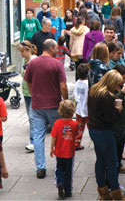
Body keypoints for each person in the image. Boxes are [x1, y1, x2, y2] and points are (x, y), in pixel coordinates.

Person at [24, 39, 68, 179]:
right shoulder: (57, 64)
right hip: (54, 104)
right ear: (50, 48)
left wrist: (33, 95)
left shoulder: (32, 63)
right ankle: (60, 164)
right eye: (56, 48)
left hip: (37, 105)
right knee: (59, 135)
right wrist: (65, 100)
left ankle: (40, 167)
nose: (57, 50)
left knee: (38, 136)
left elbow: (28, 81)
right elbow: (63, 86)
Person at [87, 70, 125, 200]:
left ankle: (103, 192)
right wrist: (117, 110)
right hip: (104, 131)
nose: (117, 88)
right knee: (112, 162)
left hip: (93, 129)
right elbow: (109, 118)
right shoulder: (107, 96)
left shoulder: (94, 90)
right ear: (112, 82)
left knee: (100, 160)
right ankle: (116, 193)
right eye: (117, 84)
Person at [49, 100, 78, 199]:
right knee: (68, 172)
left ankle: (60, 182)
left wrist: (51, 147)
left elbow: (54, 136)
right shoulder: (74, 124)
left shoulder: (57, 123)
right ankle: (68, 190)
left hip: (59, 152)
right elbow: (76, 135)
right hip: (69, 153)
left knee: (60, 169)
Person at [112, 65, 125, 178]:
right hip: (116, 124)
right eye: (122, 78)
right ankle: (115, 167)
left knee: (121, 144)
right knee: (116, 147)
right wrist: (122, 93)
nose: (123, 81)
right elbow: (113, 100)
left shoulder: (122, 86)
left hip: (123, 121)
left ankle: (118, 164)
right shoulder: (111, 88)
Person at [18, 41, 38, 152]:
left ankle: (34, 142)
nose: (21, 54)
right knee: (31, 118)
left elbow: (36, 75)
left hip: (33, 92)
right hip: (26, 92)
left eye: (22, 52)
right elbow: (22, 73)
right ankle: (35, 140)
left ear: (28, 50)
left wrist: (27, 73)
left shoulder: (34, 60)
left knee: (32, 117)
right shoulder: (23, 60)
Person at [73, 63, 89, 150]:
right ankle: (96, 141)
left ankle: (76, 143)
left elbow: (75, 95)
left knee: (79, 128)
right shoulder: (88, 84)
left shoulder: (77, 82)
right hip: (88, 110)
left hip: (79, 109)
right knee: (92, 128)